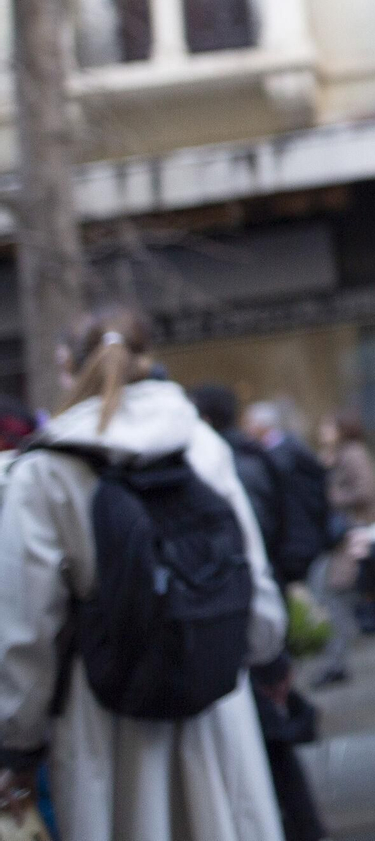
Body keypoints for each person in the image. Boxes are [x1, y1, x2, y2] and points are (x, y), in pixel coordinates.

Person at [0, 307, 287, 841]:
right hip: (213, 689)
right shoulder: (199, 442)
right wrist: (268, 656)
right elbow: (251, 570)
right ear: (148, 358)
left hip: (104, 709)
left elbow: (27, 625)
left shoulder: (45, 469)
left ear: (69, 367)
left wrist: (19, 742)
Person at [191, 382, 329, 841]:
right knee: (273, 742)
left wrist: (269, 648)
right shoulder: (252, 458)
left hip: (254, 623)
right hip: (266, 613)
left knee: (272, 745)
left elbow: (252, 557)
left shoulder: (232, 466)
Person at [311, 410, 375, 685]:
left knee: (336, 592)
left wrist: (333, 495)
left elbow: (367, 491)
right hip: (344, 537)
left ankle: (337, 660)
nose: (324, 431)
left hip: (354, 534)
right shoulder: (337, 455)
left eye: (329, 425)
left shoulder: (353, 453)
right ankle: (337, 658)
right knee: (333, 592)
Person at [245, 400, 334, 588]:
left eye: (250, 424)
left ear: (262, 425)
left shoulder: (285, 453)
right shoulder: (281, 450)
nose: (247, 430)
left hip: (298, 535)